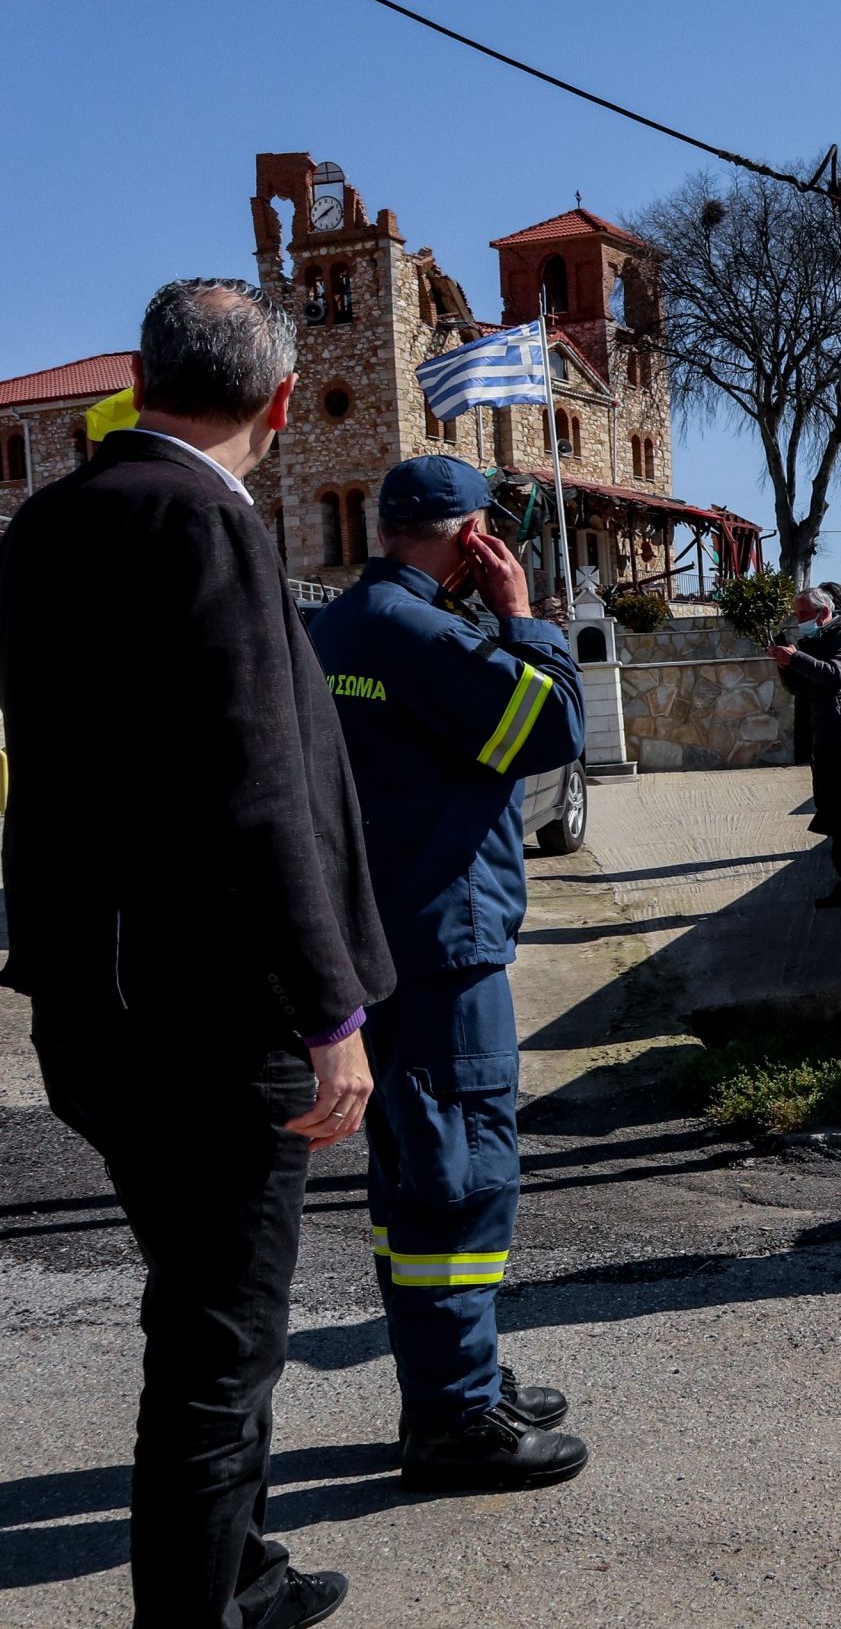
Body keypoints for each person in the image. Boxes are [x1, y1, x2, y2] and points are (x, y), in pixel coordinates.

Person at [0, 278, 394, 1628]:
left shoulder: (48, 521)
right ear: (282, 405)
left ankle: (244, 1570)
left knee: (203, 1298)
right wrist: (329, 1007)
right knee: (221, 1346)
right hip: (219, 1019)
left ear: (142, 377)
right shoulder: (205, 521)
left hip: (93, 1005)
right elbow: (255, 791)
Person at [306, 456, 591, 1492]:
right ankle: (453, 1415)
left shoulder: (343, 623)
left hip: (387, 942)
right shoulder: (420, 632)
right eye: (490, 536)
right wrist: (524, 617)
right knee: (458, 1181)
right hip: (440, 944)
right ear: (469, 537)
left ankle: (454, 1377)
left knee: (415, 1183)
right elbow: (551, 727)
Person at [773, 584, 841, 908]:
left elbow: (836, 674)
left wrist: (797, 658)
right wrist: (785, 663)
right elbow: (798, 686)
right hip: (826, 743)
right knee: (836, 818)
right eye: (797, 613)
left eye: (803, 613)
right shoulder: (814, 640)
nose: (799, 619)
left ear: (824, 611)